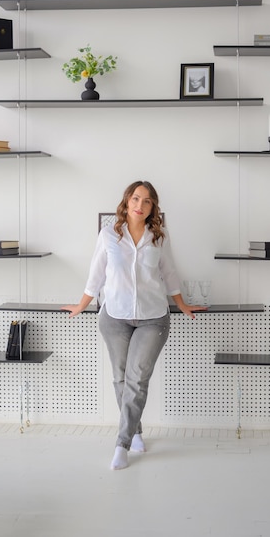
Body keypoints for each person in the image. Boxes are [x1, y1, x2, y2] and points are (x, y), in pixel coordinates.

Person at [61, 181, 205, 470]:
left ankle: (121, 444)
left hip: (153, 318)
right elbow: (96, 274)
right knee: (120, 377)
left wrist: (183, 304)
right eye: (136, 198)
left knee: (136, 378)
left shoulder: (158, 237)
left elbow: (170, 273)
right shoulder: (108, 235)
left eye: (147, 201)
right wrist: (81, 304)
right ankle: (136, 431)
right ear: (126, 201)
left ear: (153, 207)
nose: (141, 205)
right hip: (114, 317)